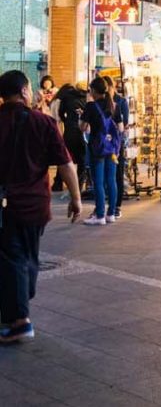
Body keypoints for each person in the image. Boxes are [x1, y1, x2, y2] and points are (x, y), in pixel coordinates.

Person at [0, 70, 82, 343]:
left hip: (6, 205)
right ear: (24, 91)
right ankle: (18, 307)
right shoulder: (44, 122)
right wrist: (76, 198)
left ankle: (20, 320)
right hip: (37, 204)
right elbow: (65, 163)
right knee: (28, 256)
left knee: (14, 257)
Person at [80, 77, 123, 226]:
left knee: (98, 182)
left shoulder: (91, 106)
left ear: (93, 90)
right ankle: (111, 213)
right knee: (111, 180)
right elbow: (121, 128)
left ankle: (99, 215)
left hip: (97, 148)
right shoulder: (114, 105)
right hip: (112, 148)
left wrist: (84, 115)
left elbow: (82, 127)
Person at [104, 77, 130, 220]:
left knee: (116, 175)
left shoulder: (120, 102)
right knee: (104, 176)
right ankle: (104, 208)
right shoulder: (98, 103)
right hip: (102, 145)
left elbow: (124, 123)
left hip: (115, 144)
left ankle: (116, 206)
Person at [55, 84, 87, 191]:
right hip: (82, 130)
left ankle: (58, 183)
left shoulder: (67, 96)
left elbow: (61, 112)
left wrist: (66, 121)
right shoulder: (87, 97)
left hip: (69, 130)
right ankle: (79, 184)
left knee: (64, 156)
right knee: (82, 158)